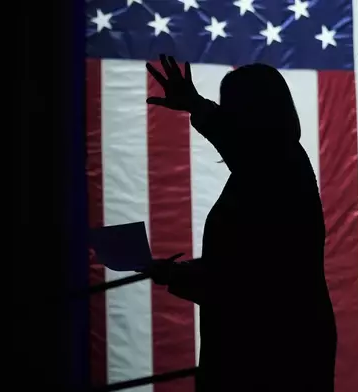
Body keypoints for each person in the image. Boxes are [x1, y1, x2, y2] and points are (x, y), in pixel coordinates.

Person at [143, 54, 337, 391]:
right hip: (276, 350)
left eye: (232, 107)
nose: (225, 114)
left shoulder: (277, 167)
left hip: (273, 357)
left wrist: (178, 274)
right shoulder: (273, 167)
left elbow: (251, 278)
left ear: (255, 115)